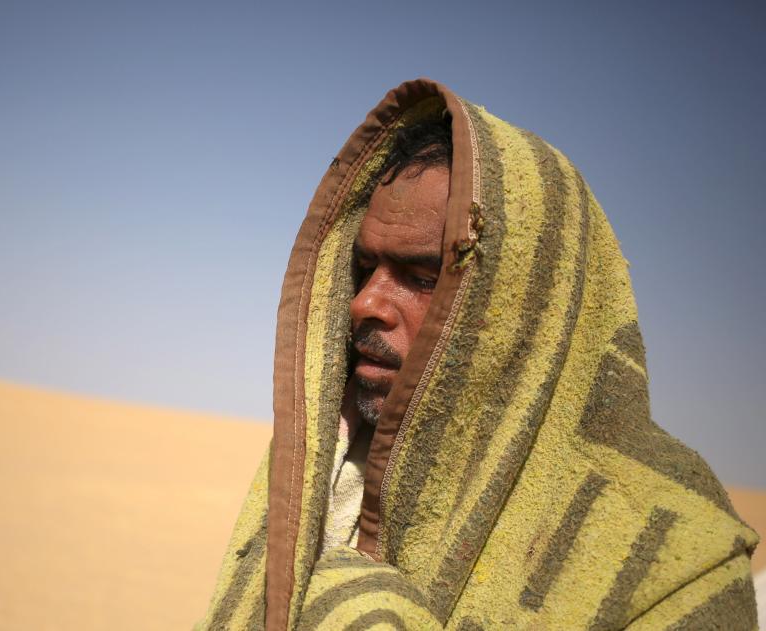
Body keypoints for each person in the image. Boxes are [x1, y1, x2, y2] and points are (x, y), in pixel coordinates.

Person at [199, 79, 759, 630]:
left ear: (517, 305)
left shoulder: (675, 552)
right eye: (365, 269)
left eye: (421, 277)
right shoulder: (318, 456)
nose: (365, 303)